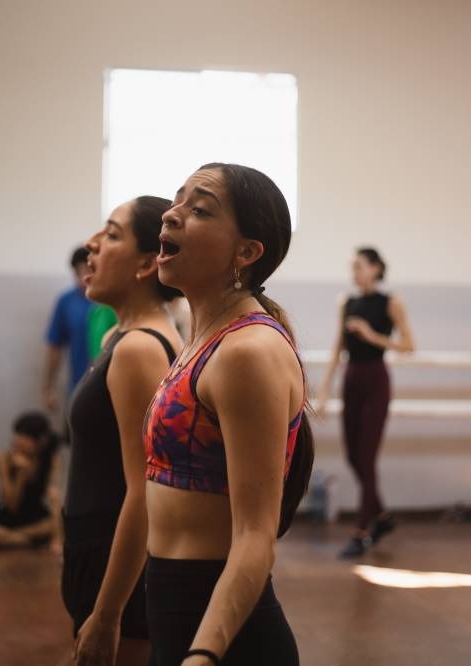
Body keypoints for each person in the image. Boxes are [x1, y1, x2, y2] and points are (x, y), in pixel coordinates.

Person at [143, 163, 314, 666]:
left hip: (226, 632)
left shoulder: (248, 351)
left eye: (198, 210)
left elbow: (255, 535)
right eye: (177, 201)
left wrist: (205, 654)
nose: (171, 215)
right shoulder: (201, 339)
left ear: (246, 252)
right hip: (171, 604)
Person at [63, 196, 183, 666]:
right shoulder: (119, 336)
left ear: (144, 264)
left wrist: (109, 613)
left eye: (110, 234)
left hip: (120, 568)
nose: (91, 245)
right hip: (96, 551)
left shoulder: (139, 349)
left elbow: (143, 492)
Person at [317, 247, 415, 558]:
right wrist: (323, 389)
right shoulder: (346, 302)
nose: (354, 272)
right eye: (352, 266)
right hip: (352, 378)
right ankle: (383, 517)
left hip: (376, 379)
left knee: (367, 457)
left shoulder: (391, 302)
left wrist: (372, 335)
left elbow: (409, 345)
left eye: (359, 266)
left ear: (375, 268)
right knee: (353, 457)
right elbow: (337, 348)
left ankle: (362, 531)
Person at [0, 411, 62, 549]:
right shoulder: (3, 459)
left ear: (41, 440)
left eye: (25, 436)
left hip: (34, 514)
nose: (18, 440)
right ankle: (30, 541)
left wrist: (57, 537)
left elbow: (54, 497)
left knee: (56, 522)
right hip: (8, 514)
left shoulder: (50, 460)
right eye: (18, 434)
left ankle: (12, 537)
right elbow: (12, 505)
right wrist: (20, 475)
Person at [44, 247, 118, 412]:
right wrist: (49, 388)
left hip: (110, 390)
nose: (84, 278)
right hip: (78, 387)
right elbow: (54, 346)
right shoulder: (67, 302)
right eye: (79, 272)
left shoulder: (110, 302)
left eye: (89, 270)